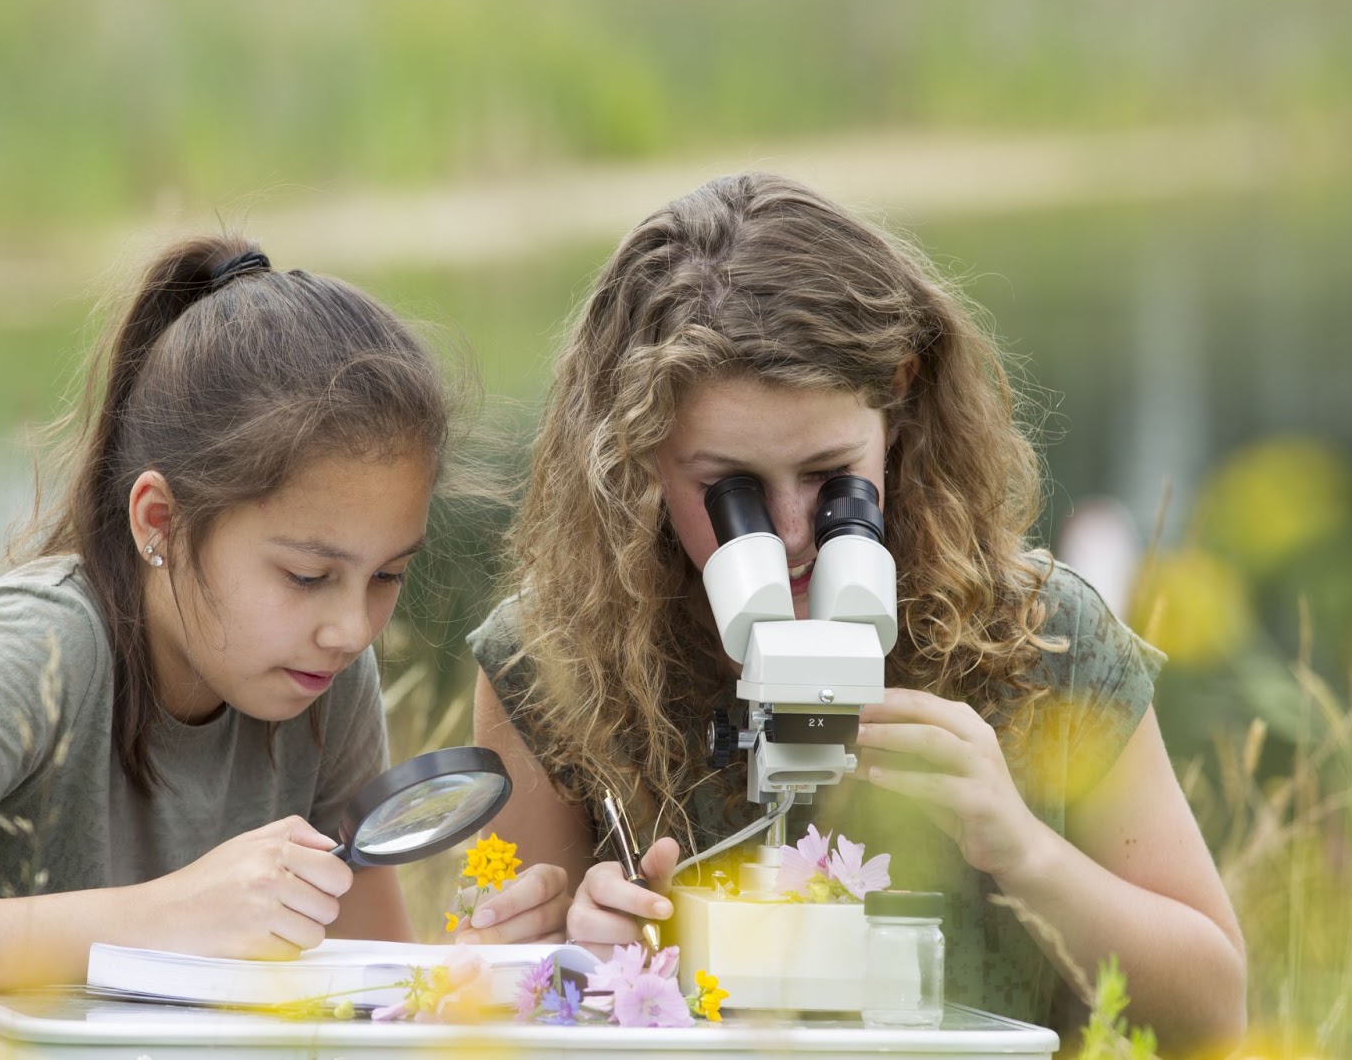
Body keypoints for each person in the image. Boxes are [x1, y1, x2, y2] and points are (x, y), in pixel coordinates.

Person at [468, 173, 1246, 1052]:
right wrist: (577, 962)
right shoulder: (554, 662)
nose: (794, 536)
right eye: (733, 491)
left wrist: (1024, 852)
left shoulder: (1043, 637)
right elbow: (497, 1012)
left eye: (830, 476)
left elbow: (1214, 1017)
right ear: (640, 453)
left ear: (900, 402)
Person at [0, 235, 566, 1009]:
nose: (351, 628)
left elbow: (366, 985)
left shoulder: (325, 682)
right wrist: (154, 918)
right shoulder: (31, 652)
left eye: (388, 576)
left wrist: (476, 972)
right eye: (307, 576)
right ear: (161, 522)